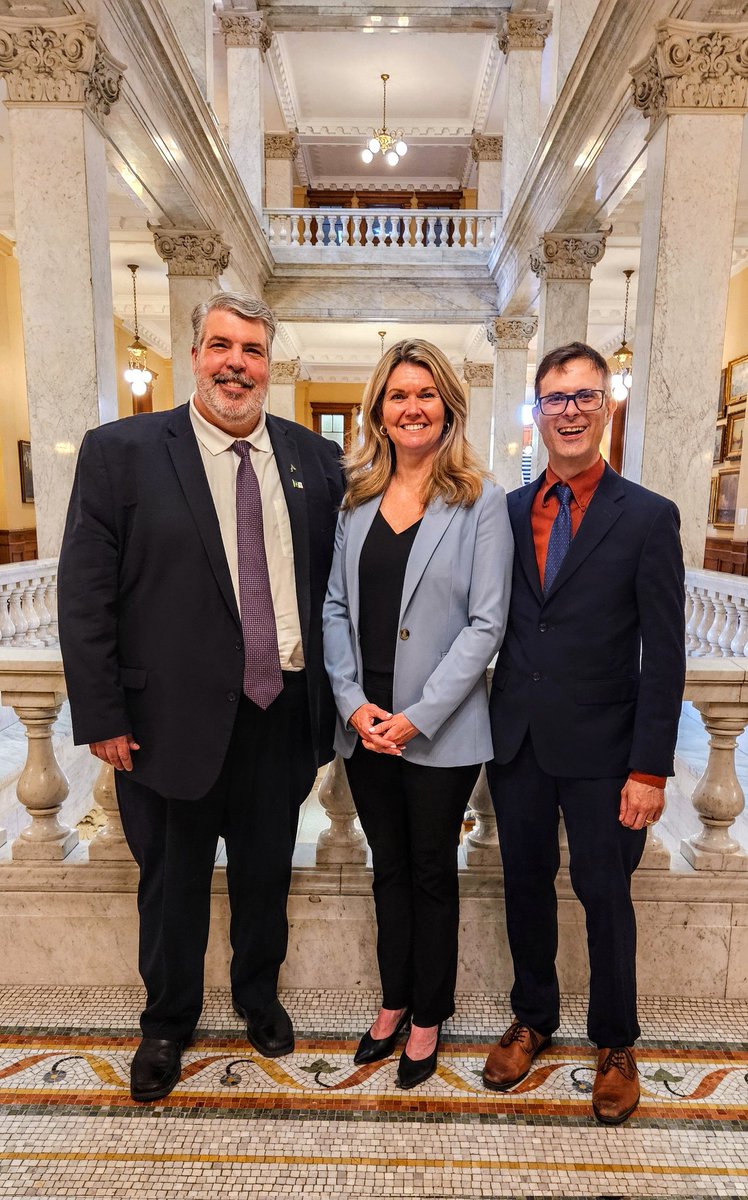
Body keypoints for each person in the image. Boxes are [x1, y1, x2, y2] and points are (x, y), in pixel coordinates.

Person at [57, 292, 344, 1102]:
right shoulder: (123, 452)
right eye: (221, 345)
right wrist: (102, 712)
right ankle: (167, 1022)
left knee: (266, 873)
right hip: (164, 721)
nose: (236, 364)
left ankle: (259, 996)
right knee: (172, 880)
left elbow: (335, 583)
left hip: (280, 711)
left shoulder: (312, 459)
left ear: (269, 363)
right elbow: (85, 594)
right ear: (194, 355)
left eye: (252, 350)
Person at [483, 341, 685, 1124]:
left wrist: (651, 768)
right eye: (555, 398)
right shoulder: (504, 511)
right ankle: (533, 1017)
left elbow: (663, 656)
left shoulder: (647, 517)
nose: (569, 411)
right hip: (518, 742)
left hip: (607, 751)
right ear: (536, 413)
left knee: (604, 894)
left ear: (606, 407)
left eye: (584, 397)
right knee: (523, 885)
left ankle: (615, 1041)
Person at [323, 339, 513, 1089]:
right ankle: (393, 1000)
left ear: (448, 408)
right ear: (379, 408)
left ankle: (429, 1013)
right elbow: (335, 607)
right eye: (399, 395)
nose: (412, 408)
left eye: (426, 394)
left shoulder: (480, 500)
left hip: (440, 730)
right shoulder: (355, 499)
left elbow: (487, 624)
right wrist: (354, 704)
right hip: (365, 724)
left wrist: (418, 716)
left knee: (432, 870)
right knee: (387, 867)